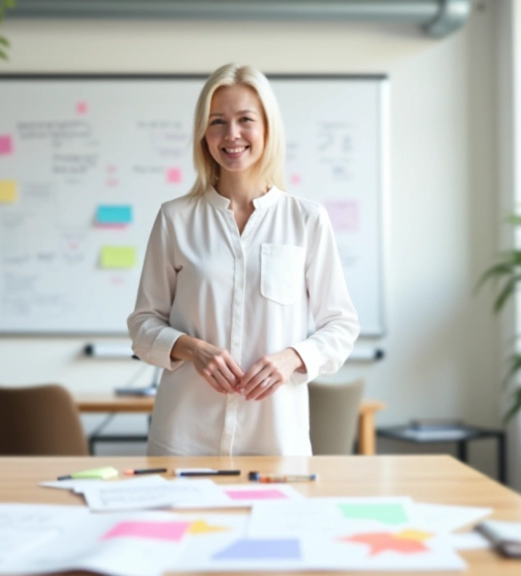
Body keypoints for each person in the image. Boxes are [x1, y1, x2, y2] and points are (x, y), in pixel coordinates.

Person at [127, 63, 360, 457]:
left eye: (245, 120)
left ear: (267, 128)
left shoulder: (306, 220)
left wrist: (292, 358)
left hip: (274, 440)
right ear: (203, 133)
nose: (231, 134)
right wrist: (192, 349)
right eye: (217, 121)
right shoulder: (175, 219)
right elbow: (142, 324)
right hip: (185, 439)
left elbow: (341, 325)